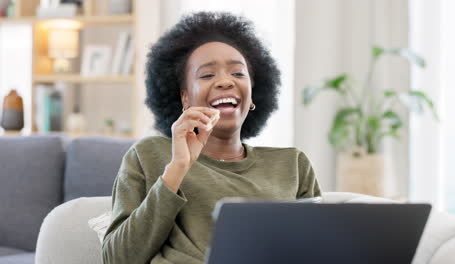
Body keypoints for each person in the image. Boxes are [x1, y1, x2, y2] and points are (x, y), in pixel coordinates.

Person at [102, 11, 322, 264]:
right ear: (185, 97)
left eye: (238, 73)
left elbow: (316, 251)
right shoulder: (149, 155)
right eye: (207, 75)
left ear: (252, 96)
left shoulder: (293, 164)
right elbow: (117, 259)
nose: (225, 82)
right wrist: (178, 168)